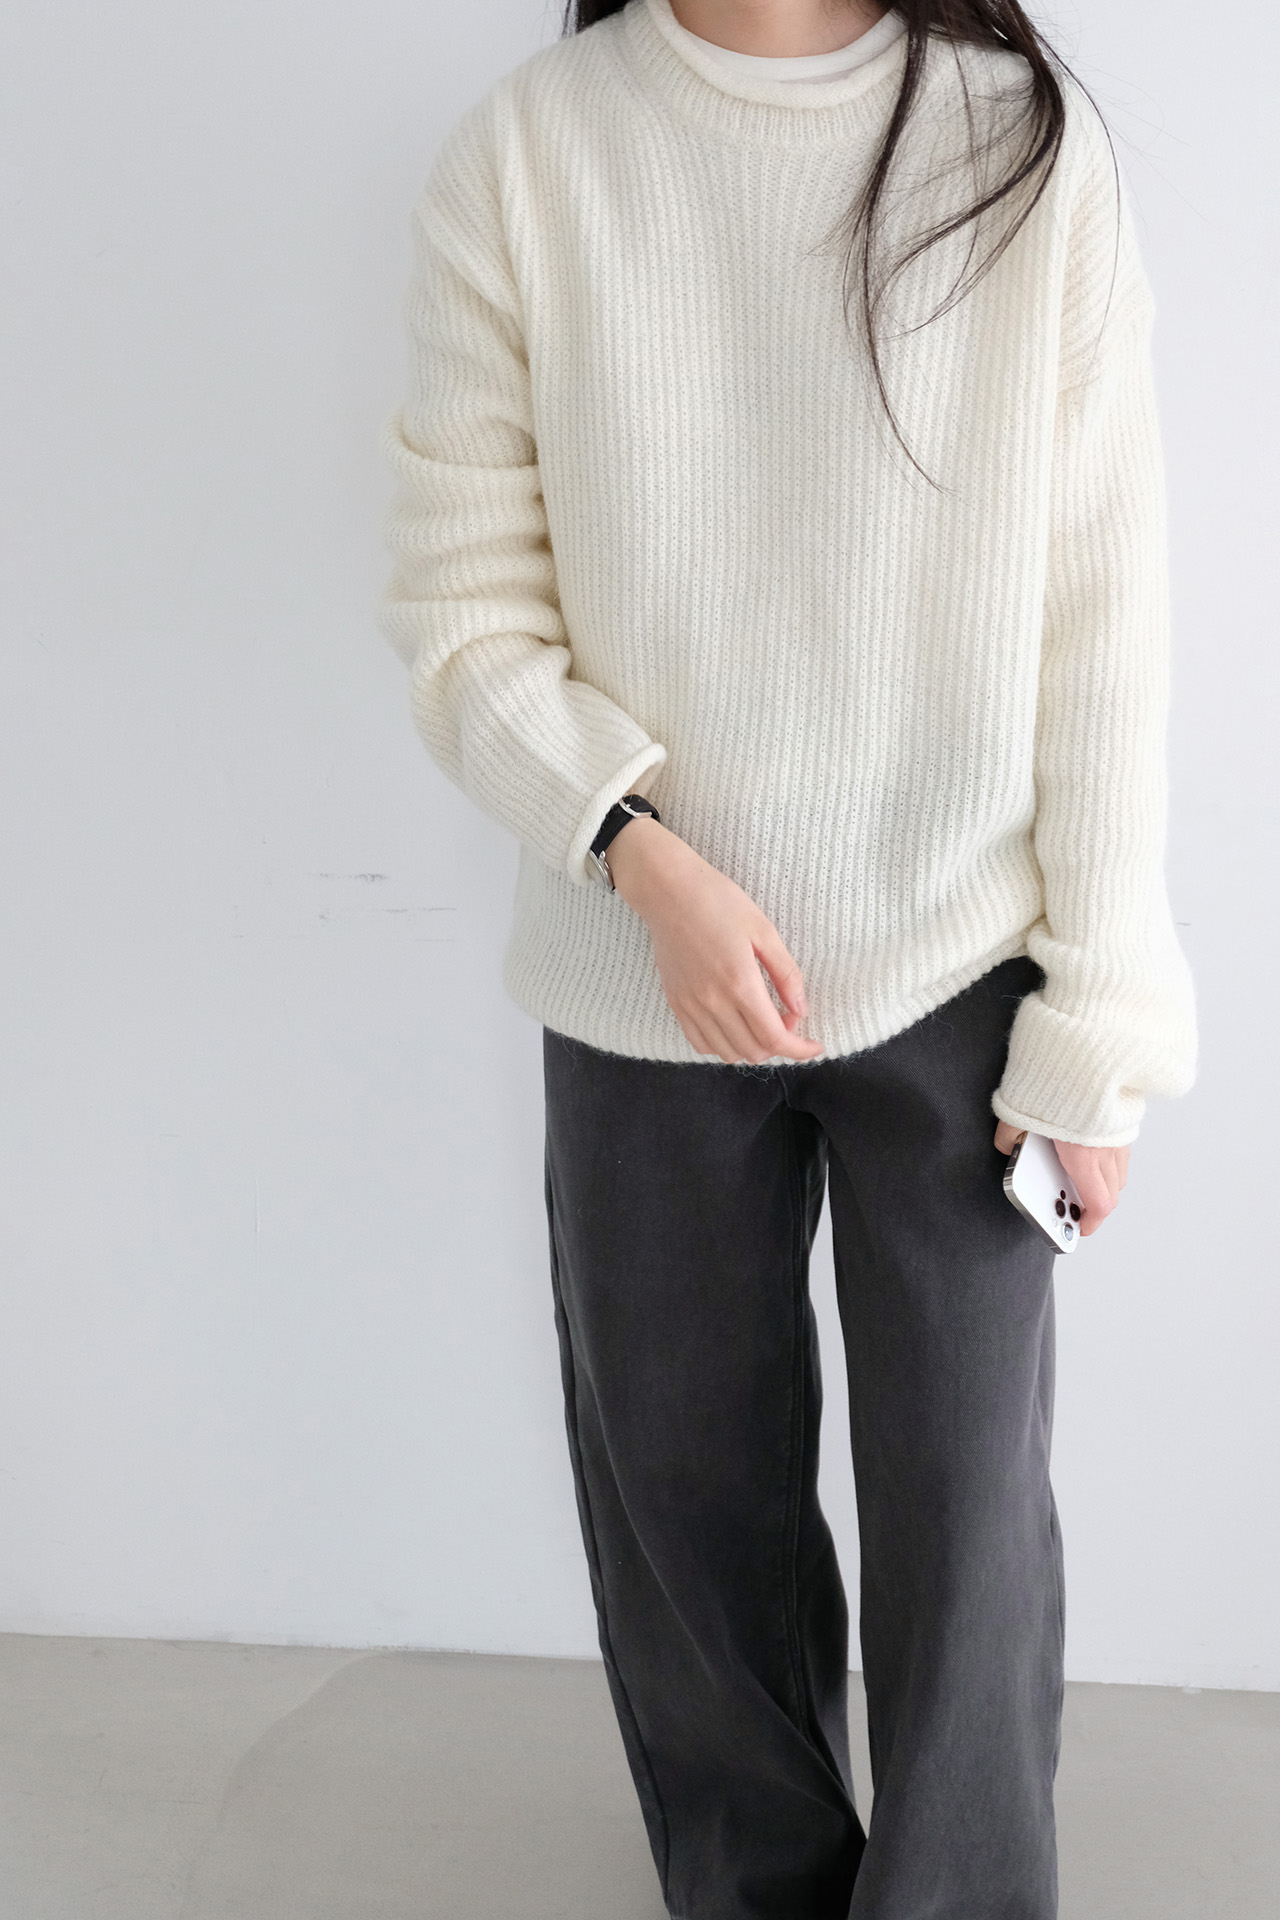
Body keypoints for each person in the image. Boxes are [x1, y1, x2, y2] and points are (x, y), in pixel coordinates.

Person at [377, 1, 1197, 1913]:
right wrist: (640, 854)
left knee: (968, 1529)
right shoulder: (531, 152)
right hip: (637, 979)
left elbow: (1104, 620)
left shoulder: (1018, 150)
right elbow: (461, 604)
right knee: (687, 1512)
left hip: (963, 980)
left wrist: (1101, 1024)